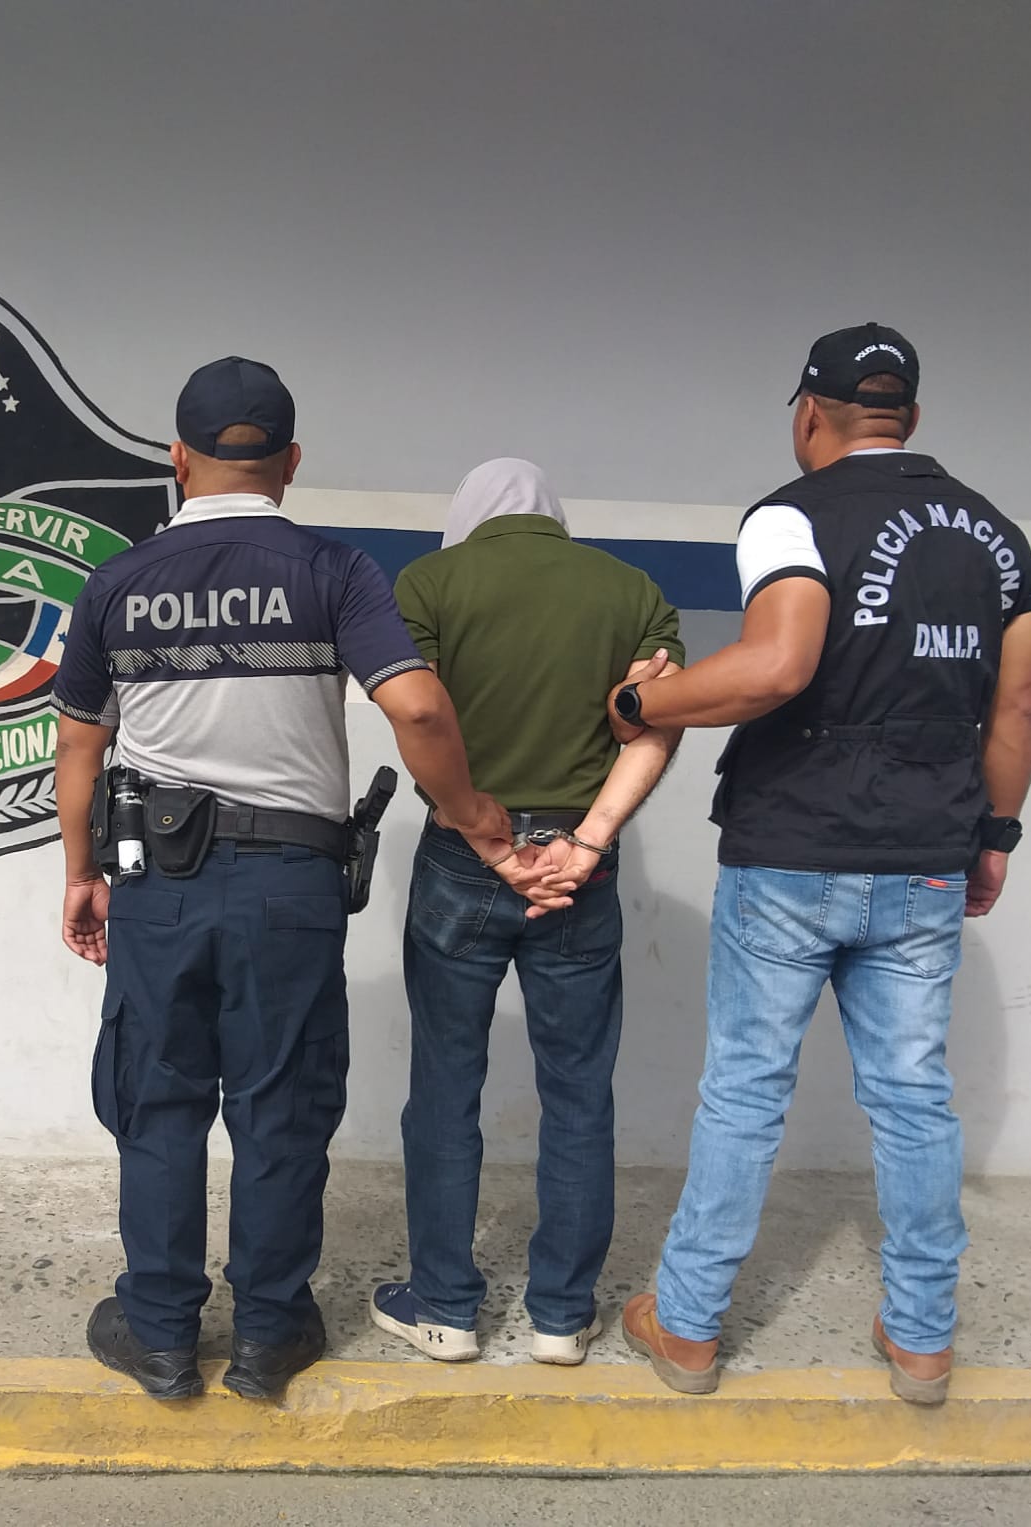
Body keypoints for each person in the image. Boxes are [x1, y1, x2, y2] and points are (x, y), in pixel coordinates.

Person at [51, 357, 525, 1401]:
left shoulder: (116, 582)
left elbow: (80, 746)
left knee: (157, 1100)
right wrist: (472, 815)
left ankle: (161, 1333)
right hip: (290, 887)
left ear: (177, 458)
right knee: (280, 1103)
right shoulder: (333, 570)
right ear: (292, 461)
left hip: (158, 883)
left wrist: (81, 871)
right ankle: (268, 1333)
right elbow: (418, 706)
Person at [614, 325, 1031, 1405]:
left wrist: (642, 700)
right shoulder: (996, 537)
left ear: (810, 414)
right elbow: (1016, 708)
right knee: (914, 1100)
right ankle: (922, 1339)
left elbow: (776, 665)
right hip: (927, 849)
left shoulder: (791, 515)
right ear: (911, 417)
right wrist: (993, 837)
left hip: (793, 851)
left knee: (744, 1092)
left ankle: (690, 1326)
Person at [369, 458, 686, 1365]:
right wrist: (587, 840)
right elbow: (660, 721)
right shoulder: (631, 591)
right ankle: (560, 1315)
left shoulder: (429, 582)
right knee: (579, 1090)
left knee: (444, 1086)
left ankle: (443, 1307)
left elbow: (420, 716)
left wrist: (489, 841)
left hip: (464, 856)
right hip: (578, 871)